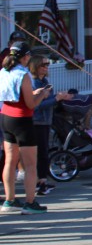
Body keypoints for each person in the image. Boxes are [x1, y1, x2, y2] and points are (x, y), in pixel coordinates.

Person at [0, 41, 52, 214]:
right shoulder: (23, 74)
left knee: (10, 161)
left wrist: (33, 93)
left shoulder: (4, 71)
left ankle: (10, 200)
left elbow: (17, 95)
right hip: (22, 119)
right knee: (30, 164)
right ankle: (30, 202)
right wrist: (42, 95)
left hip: (6, 116)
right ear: (26, 57)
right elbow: (31, 104)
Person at [29, 54, 69, 198]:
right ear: (35, 66)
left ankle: (43, 180)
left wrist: (59, 97)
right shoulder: (33, 83)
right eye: (43, 65)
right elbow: (36, 105)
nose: (46, 67)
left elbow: (48, 101)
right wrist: (56, 99)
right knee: (40, 153)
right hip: (37, 121)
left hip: (46, 120)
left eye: (47, 64)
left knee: (44, 152)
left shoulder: (44, 81)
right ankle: (39, 183)